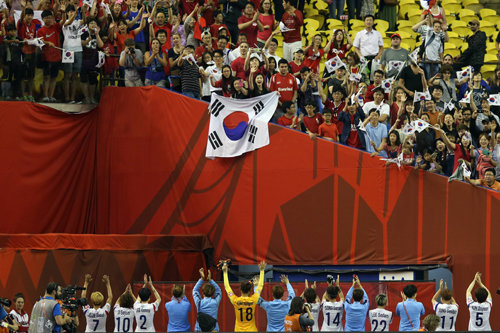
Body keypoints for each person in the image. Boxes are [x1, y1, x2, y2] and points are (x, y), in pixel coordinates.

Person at [222, 260, 267, 332]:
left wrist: (224, 272)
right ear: (250, 291)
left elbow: (227, 287)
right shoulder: (254, 299)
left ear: (240, 290)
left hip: (238, 330)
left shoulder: (235, 300)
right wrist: (262, 271)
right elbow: (260, 286)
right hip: (252, 330)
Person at [36, 10, 62, 102]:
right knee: (46, 77)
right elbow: (40, 41)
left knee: (54, 77)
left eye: (50, 17)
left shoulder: (55, 27)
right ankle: (45, 96)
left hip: (56, 56)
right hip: (46, 57)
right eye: (46, 17)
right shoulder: (40, 31)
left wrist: (63, 12)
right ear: (42, 19)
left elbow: (63, 22)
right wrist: (48, 42)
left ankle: (51, 96)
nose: (48, 19)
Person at [61, 4, 82, 104]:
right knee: (67, 75)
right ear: (67, 13)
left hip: (78, 49)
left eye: (73, 11)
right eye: (70, 11)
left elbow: (86, 20)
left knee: (75, 75)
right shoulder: (64, 23)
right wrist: (75, 13)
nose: (72, 13)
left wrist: (85, 9)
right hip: (68, 50)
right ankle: (66, 97)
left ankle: (73, 98)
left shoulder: (78, 22)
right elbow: (69, 22)